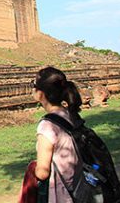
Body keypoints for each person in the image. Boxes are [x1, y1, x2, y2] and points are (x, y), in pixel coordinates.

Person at [19, 66, 84, 203]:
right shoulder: (70, 114)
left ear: (41, 94)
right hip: (78, 187)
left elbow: (42, 173)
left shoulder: (47, 125)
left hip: (61, 195)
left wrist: (32, 169)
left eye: (34, 85)